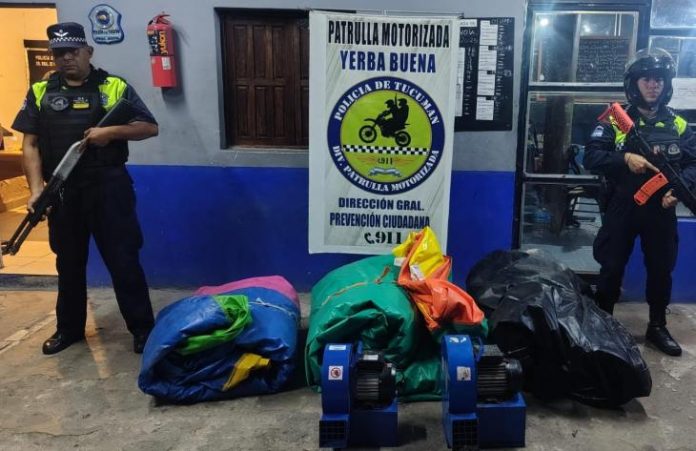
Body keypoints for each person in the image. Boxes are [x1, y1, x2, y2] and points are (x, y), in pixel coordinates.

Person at [11, 22, 158, 355]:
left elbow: (149, 127)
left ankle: (142, 329)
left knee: (123, 260)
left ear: (88, 52)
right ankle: (69, 329)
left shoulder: (113, 86)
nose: (66, 58)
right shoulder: (40, 92)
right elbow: (29, 145)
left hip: (108, 188)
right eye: (59, 53)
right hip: (63, 191)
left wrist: (111, 132)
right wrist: (36, 190)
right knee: (68, 263)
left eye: (73, 51)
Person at [584, 47, 696, 357]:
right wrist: (625, 158)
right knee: (611, 266)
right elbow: (591, 156)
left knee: (661, 269)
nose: (653, 85)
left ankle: (657, 326)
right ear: (634, 83)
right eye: (646, 79)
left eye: (659, 79)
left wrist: (680, 189)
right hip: (623, 206)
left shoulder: (678, 124)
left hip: (661, 209)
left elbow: (693, 163)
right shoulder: (617, 120)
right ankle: (604, 324)